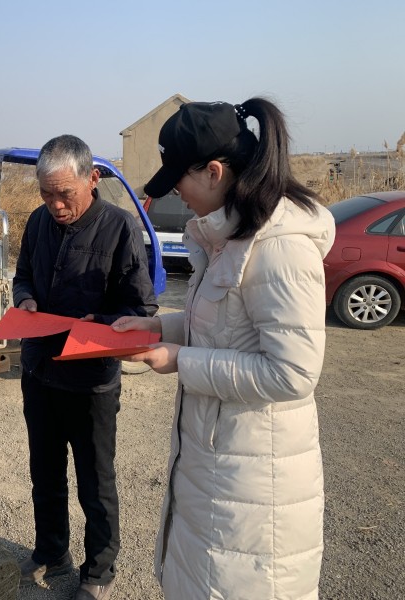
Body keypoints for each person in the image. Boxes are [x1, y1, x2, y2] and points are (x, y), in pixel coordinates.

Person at [113, 99, 336, 599]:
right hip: (219, 465)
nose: (177, 193)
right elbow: (222, 326)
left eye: (179, 182)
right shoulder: (230, 236)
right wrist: (157, 327)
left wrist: (180, 360)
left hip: (255, 482)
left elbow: (293, 373)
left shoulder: (280, 245)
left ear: (214, 172)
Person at [13, 134, 158, 600]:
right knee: (45, 473)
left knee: (96, 482)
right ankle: (52, 551)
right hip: (40, 371)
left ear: (92, 178)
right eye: (46, 194)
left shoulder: (119, 227)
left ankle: (98, 572)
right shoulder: (38, 222)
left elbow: (140, 307)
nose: (55, 205)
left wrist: (105, 322)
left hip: (91, 381)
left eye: (64, 194)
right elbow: (23, 276)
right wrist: (25, 300)